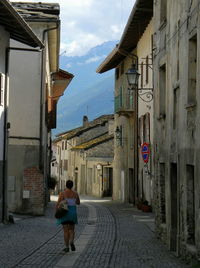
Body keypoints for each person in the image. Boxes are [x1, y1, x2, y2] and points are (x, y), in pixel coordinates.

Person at [56, 180, 80, 253]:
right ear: (72, 186)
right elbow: (78, 203)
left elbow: (58, 204)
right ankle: (71, 241)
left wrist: (57, 212)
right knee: (72, 230)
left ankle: (66, 247)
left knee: (66, 231)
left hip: (65, 213)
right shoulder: (75, 193)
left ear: (66, 185)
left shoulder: (62, 193)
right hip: (73, 214)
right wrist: (72, 201)